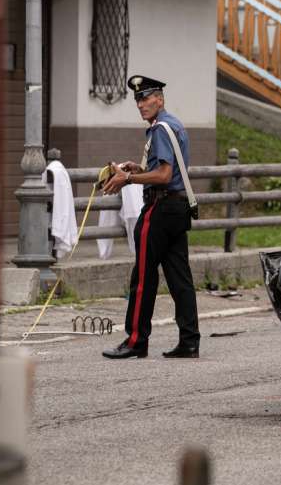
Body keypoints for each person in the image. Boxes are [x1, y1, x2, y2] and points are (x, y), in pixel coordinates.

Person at [101, 75, 200, 359]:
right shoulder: (174, 125)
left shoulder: (160, 129)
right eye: (138, 100)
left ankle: (135, 341)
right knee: (180, 278)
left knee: (143, 277)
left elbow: (164, 176)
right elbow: (164, 169)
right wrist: (137, 167)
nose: (141, 104)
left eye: (146, 98)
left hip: (160, 208)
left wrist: (128, 177)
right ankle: (190, 341)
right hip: (178, 208)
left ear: (160, 99)